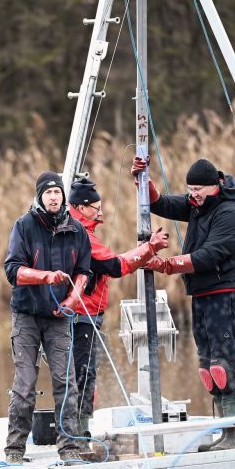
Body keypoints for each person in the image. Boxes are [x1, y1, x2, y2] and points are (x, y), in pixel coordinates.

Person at [131, 156, 235, 450]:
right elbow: (164, 204)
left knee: (223, 365)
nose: (192, 194)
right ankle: (225, 434)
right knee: (208, 369)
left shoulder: (229, 213)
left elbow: (209, 255)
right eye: (189, 188)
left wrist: (167, 264)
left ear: (214, 186)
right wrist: (143, 182)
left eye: (198, 189)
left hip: (225, 294)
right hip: (201, 294)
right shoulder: (198, 205)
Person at [2, 171, 93, 463]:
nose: (53, 197)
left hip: (60, 317)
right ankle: (15, 449)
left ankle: (69, 448)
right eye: (48, 193)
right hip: (27, 315)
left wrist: (70, 301)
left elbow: (84, 272)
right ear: (39, 197)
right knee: (25, 384)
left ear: (64, 197)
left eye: (57, 192)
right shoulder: (24, 226)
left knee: (66, 381)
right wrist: (45, 277)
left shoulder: (77, 230)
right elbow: (13, 271)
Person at [67, 177, 169, 434]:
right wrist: (149, 248)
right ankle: (78, 437)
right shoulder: (82, 237)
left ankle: (75, 433)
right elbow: (115, 266)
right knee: (83, 377)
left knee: (77, 377)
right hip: (81, 317)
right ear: (80, 208)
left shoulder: (71, 229)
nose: (101, 212)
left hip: (76, 317)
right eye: (95, 207)